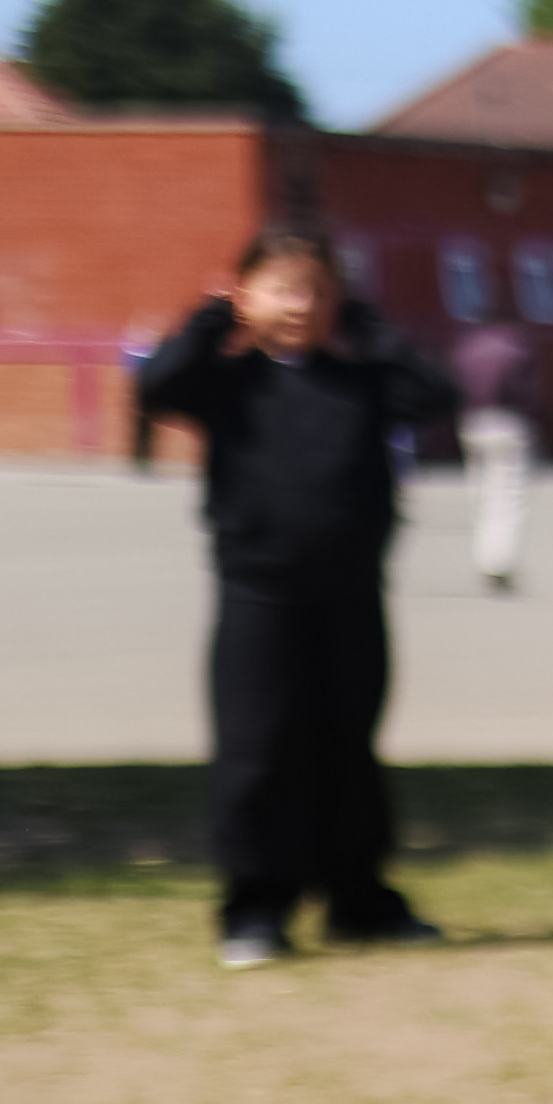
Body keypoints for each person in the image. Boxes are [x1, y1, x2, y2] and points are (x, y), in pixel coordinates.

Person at [135, 233, 456, 969]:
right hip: (260, 592)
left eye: (316, 290)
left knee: (348, 748)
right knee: (258, 750)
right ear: (246, 293)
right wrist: (213, 321)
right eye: (282, 288)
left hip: (350, 592)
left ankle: (359, 903)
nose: (300, 306)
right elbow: (158, 386)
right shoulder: (228, 383)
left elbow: (435, 395)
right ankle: (255, 910)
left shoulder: (362, 382)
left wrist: (372, 331)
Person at [450, 312, 533, 594]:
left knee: (479, 493)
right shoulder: (514, 348)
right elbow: (529, 390)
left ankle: (482, 559)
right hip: (507, 421)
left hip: (471, 421)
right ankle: (500, 563)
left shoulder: (466, 348)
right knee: (506, 496)